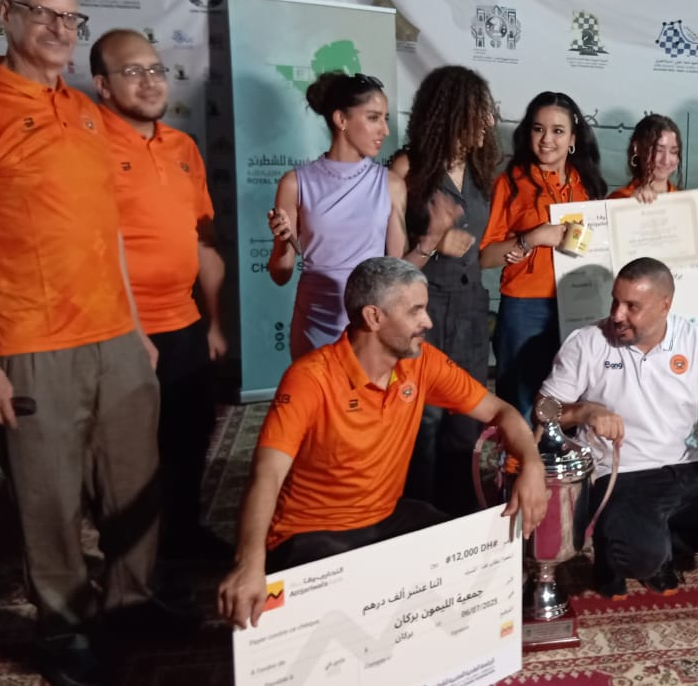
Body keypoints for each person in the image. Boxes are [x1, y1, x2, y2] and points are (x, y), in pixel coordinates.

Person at [0, 0, 164, 683]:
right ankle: (65, 627)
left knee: (133, 481)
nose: (60, 30)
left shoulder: (86, 110)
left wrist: (136, 326)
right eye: (43, 14)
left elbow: (107, 228)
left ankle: (132, 600)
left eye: (70, 18)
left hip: (116, 336)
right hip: (30, 342)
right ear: (5, 13)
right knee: (49, 498)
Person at [216, 257, 549, 629]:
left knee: (476, 559)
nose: (428, 322)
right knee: (340, 621)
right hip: (310, 534)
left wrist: (532, 464)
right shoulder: (309, 378)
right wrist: (249, 563)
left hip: (385, 518)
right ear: (373, 317)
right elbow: (266, 474)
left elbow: (501, 411)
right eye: (415, 311)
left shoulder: (421, 362)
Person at [538, 258, 698, 598]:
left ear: (665, 306)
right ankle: (615, 550)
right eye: (615, 301)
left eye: (632, 306)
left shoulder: (697, 340)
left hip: (685, 465)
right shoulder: (587, 342)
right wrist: (584, 411)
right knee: (641, 559)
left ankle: (667, 538)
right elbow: (544, 409)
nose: (617, 315)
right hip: (618, 472)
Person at [90, 28, 229, 561]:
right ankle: (138, 566)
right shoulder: (85, 146)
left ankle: (183, 539)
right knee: (130, 456)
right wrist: (129, 331)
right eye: (132, 71)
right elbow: (91, 249)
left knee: (189, 436)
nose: (149, 81)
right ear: (102, 85)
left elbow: (203, 241)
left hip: (184, 324)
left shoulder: (182, 147)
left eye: (155, 69)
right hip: (119, 330)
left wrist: (213, 323)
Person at [389, 65, 499, 516]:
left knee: (466, 419)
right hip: (422, 310)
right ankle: (416, 518)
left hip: (471, 311)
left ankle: (459, 518)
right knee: (423, 421)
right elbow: (388, 264)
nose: (489, 121)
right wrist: (434, 243)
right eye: (479, 112)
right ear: (452, 112)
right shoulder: (406, 169)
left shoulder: (482, 170)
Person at [479, 91, 606, 421]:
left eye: (558, 131)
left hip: (580, 305)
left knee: (571, 404)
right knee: (521, 405)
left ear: (573, 138)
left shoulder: (588, 185)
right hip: (525, 308)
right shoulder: (510, 183)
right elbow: (485, 257)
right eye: (538, 129)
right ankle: (520, 456)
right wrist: (532, 238)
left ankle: (561, 458)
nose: (547, 139)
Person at [266, 71, 407, 359]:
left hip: (370, 325)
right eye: (373, 118)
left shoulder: (391, 184)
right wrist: (282, 242)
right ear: (341, 119)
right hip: (315, 322)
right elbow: (280, 275)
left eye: (385, 118)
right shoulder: (295, 183)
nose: (385, 130)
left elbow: (396, 271)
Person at [609, 113, 681, 201]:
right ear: (637, 148)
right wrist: (631, 203)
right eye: (658, 150)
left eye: (674, 151)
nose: (666, 161)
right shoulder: (618, 199)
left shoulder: (686, 200)